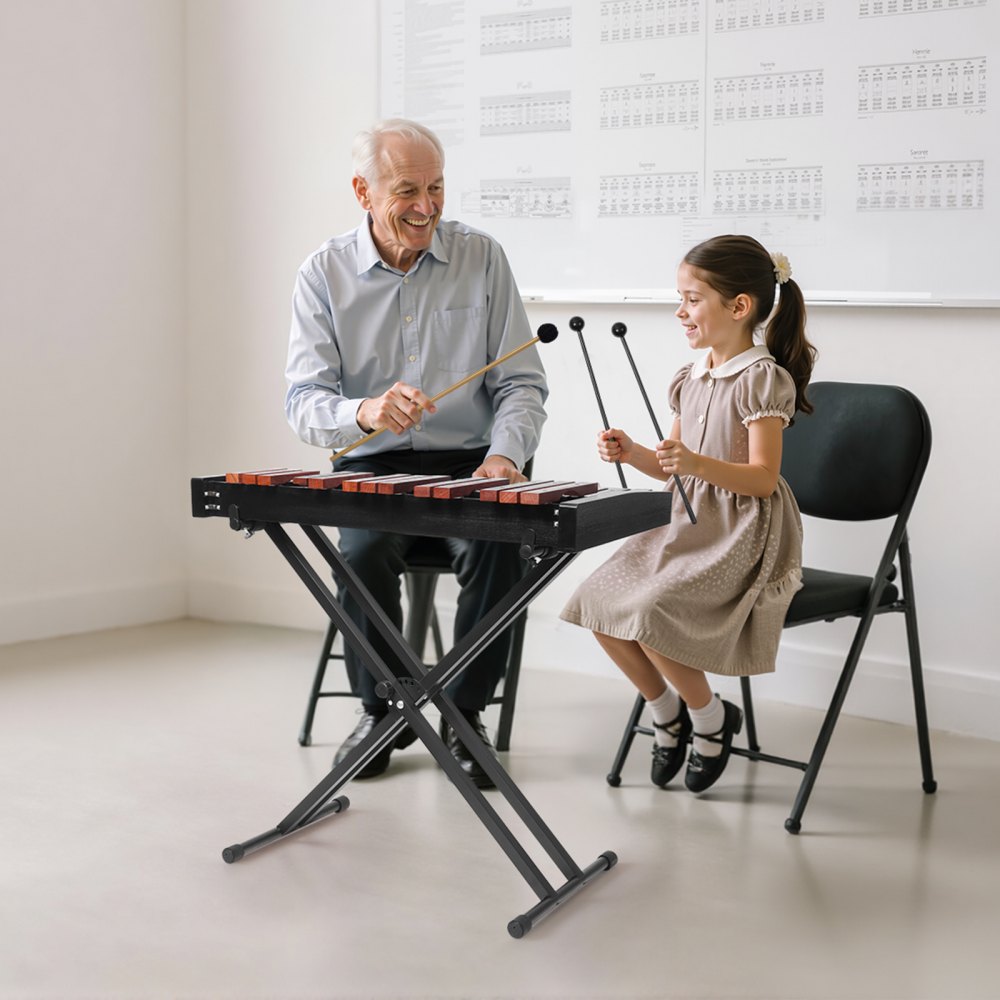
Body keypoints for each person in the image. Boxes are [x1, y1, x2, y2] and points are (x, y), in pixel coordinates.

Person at [285, 119, 548, 788]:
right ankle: (383, 711)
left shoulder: (482, 258)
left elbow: (521, 384)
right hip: (372, 461)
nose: (426, 207)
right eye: (407, 190)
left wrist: (506, 458)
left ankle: (463, 714)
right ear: (363, 192)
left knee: (500, 544)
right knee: (361, 553)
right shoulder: (322, 273)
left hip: (472, 461)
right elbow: (304, 402)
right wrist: (363, 412)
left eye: (437, 188)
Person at [561, 234, 816, 793]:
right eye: (681, 298)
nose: (681, 311)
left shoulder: (762, 379)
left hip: (739, 532)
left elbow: (763, 478)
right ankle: (667, 712)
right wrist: (633, 452)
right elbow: (672, 469)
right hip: (684, 521)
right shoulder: (691, 376)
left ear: (739, 306)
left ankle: (710, 718)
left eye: (692, 299)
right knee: (598, 601)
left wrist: (695, 462)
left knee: (654, 612)